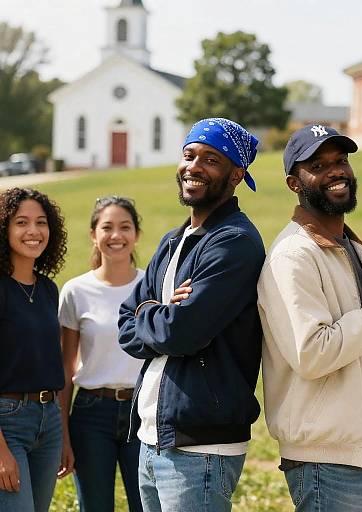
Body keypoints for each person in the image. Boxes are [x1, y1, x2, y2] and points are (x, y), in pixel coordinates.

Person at [258, 124, 362, 512]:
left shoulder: (355, 248)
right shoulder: (293, 256)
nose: (337, 171)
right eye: (319, 164)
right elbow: (312, 354)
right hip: (326, 460)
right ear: (293, 183)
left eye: (341, 160)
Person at [118, 117, 265, 512]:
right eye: (189, 155)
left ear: (237, 175)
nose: (194, 166)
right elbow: (125, 325)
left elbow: (181, 333)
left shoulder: (234, 242)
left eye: (211, 159)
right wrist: (159, 312)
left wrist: (153, 313)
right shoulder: (172, 241)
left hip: (202, 447)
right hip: (153, 437)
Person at [58, 196, 145, 511]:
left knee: (147, 505)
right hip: (91, 414)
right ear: (94, 234)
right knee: (94, 506)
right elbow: (65, 369)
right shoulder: (75, 291)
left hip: (143, 412)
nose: (116, 235)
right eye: (107, 227)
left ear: (136, 234)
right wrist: (63, 434)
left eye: (125, 227)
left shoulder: (153, 285)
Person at [0, 187, 67, 511]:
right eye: (21, 222)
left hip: (49, 420)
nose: (33, 231)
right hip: (7, 423)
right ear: (5, 229)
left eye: (41, 222)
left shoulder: (48, 289)